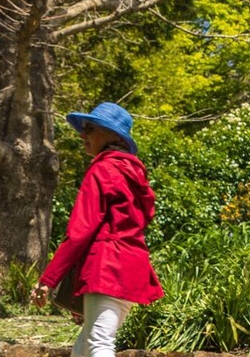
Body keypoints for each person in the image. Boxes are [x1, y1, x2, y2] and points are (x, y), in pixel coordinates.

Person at [29, 102, 166, 357]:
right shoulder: (134, 174)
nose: (83, 134)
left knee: (99, 344)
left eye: (90, 128)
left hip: (106, 268)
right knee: (83, 349)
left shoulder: (103, 169)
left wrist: (48, 280)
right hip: (130, 269)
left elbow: (81, 231)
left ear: (112, 135)